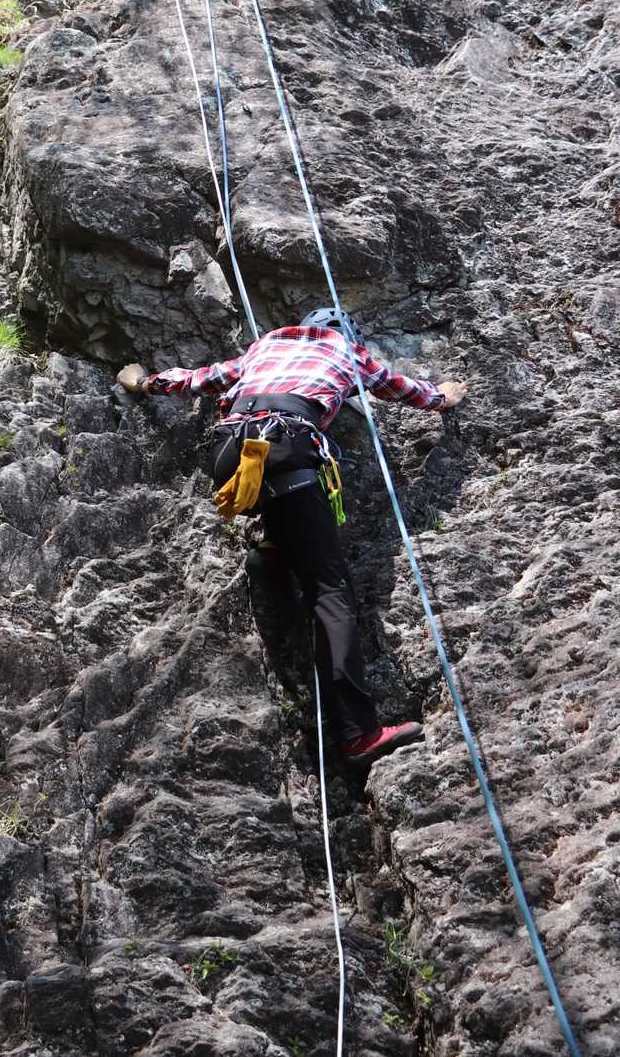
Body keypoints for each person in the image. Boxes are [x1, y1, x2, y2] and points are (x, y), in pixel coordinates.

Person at [117, 309, 468, 767]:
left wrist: (143, 382)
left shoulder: (263, 348)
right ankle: (358, 733)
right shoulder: (346, 351)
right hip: (286, 449)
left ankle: (273, 555)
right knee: (330, 590)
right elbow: (400, 388)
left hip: (230, 454)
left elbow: (201, 379)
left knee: (289, 518)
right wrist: (444, 396)